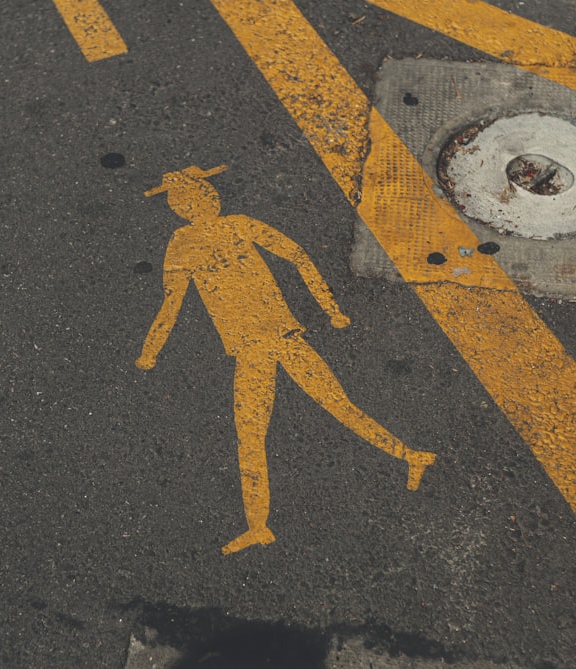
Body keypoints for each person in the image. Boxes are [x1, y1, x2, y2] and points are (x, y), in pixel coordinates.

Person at [136, 165, 436, 555]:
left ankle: (261, 522)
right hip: (268, 341)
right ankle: (405, 456)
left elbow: (172, 304)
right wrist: (330, 309)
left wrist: (150, 353)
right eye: (191, 198)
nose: (197, 203)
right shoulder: (204, 236)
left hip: (262, 344)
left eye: (196, 196)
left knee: (263, 430)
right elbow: (296, 257)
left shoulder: (195, 239)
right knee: (325, 409)